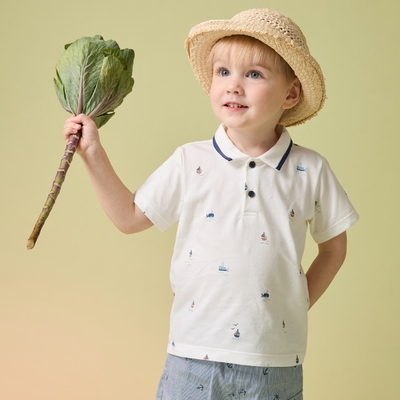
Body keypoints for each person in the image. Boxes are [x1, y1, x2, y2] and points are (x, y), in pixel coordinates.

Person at [63, 8, 359, 400]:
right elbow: (130, 217)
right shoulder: (191, 160)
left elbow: (334, 248)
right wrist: (92, 154)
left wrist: (297, 303)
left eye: (253, 74)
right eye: (223, 72)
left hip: (275, 363)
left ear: (291, 93)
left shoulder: (310, 169)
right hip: (191, 357)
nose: (233, 86)